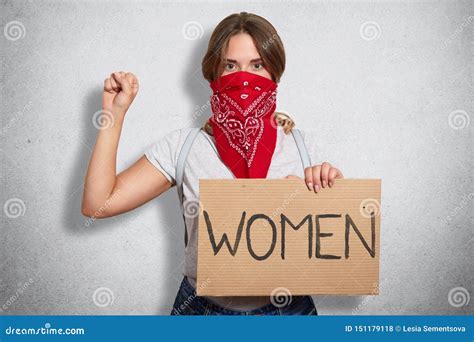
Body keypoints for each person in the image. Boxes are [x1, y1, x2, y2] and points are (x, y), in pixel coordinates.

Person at [81, 12, 344, 315]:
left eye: (257, 65)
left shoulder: (304, 148)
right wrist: (112, 116)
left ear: (275, 74)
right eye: (231, 66)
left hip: (290, 312)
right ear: (214, 75)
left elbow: (334, 243)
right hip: (202, 312)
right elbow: (97, 203)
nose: (243, 77)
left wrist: (326, 195)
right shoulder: (184, 147)